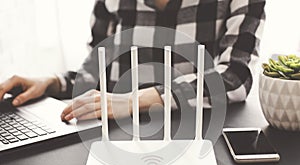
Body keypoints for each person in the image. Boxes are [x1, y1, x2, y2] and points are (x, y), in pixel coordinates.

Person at [0, 0, 266, 122]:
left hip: (197, 141)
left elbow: (234, 77)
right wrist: (52, 83)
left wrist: (131, 101)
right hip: (112, 139)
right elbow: (98, 72)